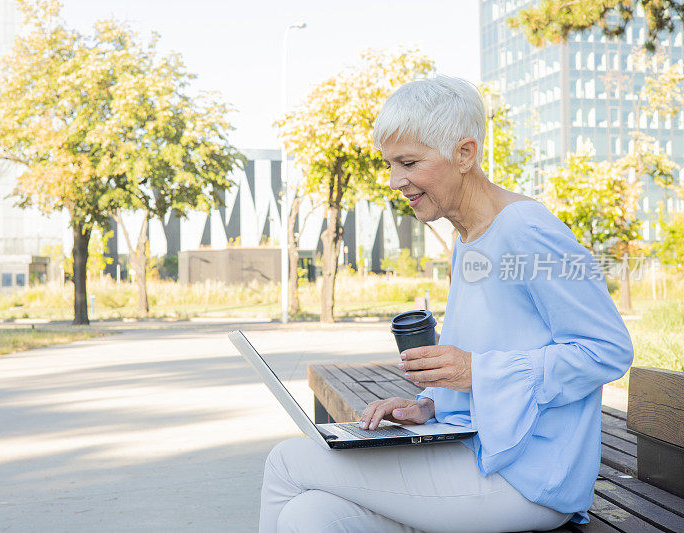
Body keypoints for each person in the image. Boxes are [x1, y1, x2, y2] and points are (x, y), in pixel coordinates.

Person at [259, 75, 634, 533]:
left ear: (464, 154)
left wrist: (479, 372)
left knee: (287, 462)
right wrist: (429, 405)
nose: (396, 181)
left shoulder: (527, 231)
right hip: (476, 451)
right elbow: (487, 351)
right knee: (309, 516)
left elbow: (607, 350)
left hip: (528, 475)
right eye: (391, 165)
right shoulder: (468, 240)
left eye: (409, 162)